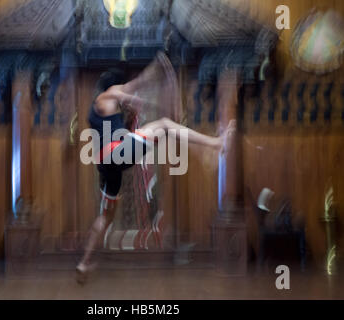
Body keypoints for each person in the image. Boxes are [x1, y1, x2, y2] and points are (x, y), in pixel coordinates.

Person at [76, 54, 236, 284]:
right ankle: (216, 144)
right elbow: (136, 84)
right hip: (116, 153)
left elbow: (128, 133)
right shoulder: (108, 94)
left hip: (108, 165)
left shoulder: (100, 110)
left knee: (106, 216)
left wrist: (131, 113)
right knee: (165, 125)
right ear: (111, 86)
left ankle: (83, 262)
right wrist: (156, 68)